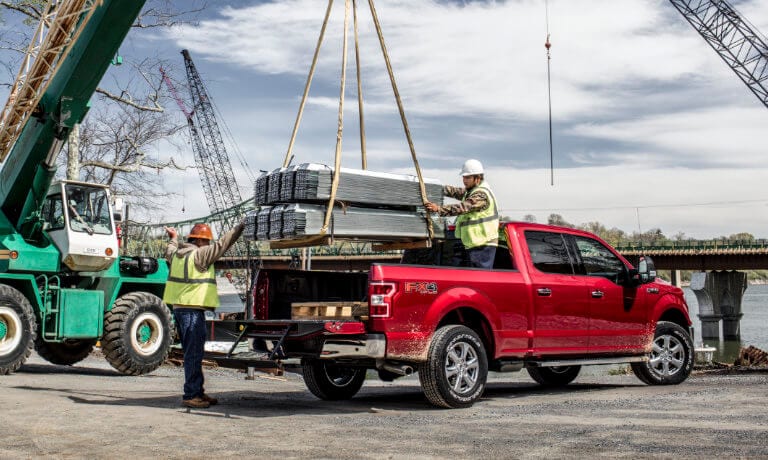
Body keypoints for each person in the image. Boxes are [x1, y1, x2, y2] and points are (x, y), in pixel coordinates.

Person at [163, 221, 244, 409]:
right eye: (207, 242)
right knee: (193, 353)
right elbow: (223, 244)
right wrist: (240, 227)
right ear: (200, 242)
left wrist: (173, 238)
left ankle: (197, 391)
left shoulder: (176, 255)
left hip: (180, 309)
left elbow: (170, 247)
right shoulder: (200, 254)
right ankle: (191, 394)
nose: (209, 245)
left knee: (193, 352)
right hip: (192, 311)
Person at [425, 159, 499, 269]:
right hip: (474, 243)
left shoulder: (481, 194)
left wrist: (438, 209)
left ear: (477, 178)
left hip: (483, 245)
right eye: (463, 177)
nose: (464, 180)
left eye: (468, 177)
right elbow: (455, 191)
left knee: (480, 279)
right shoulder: (471, 191)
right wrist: (435, 188)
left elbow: (462, 208)